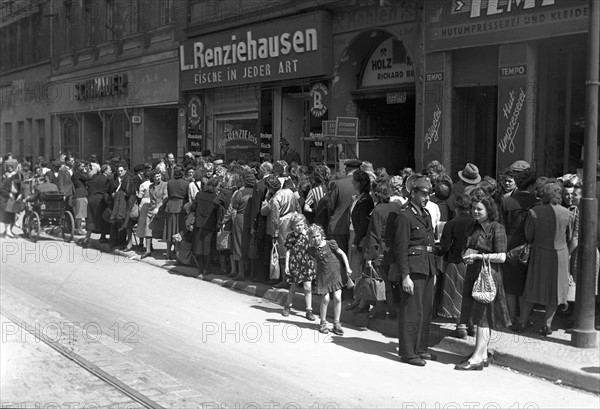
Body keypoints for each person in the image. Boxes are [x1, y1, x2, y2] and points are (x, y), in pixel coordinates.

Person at [456, 191, 510, 371]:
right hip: (474, 272)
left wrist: (479, 256)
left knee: (482, 317)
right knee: (478, 316)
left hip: (488, 275)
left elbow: (502, 256)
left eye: (479, 209)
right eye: (473, 208)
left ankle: (478, 356)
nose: (475, 212)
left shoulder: (497, 228)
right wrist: (467, 255)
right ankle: (482, 353)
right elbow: (469, 248)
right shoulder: (473, 226)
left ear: (489, 209)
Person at [514, 182, 574, 336]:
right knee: (555, 291)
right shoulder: (567, 213)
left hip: (539, 253)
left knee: (533, 287)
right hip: (559, 255)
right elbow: (569, 236)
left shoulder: (535, 211)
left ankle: (521, 322)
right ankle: (546, 325)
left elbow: (529, 235)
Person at [394, 176, 438, 367]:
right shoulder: (405, 216)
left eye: (428, 194)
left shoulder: (426, 214)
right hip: (413, 269)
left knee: (425, 310)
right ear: (413, 193)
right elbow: (401, 248)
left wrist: (433, 271)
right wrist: (405, 276)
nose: (426, 198)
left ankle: (420, 348)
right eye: (423, 194)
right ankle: (408, 352)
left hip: (427, 266)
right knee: (412, 310)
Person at [437, 193, 476, 337]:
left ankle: (461, 327)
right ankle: (472, 325)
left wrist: (436, 250)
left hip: (456, 262)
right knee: (472, 295)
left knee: (458, 295)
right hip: (474, 263)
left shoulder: (451, 223)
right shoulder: (477, 223)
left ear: (457, 208)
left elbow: (444, 247)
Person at [363, 177, 403, 319]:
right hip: (392, 249)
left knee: (381, 282)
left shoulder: (378, 210)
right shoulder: (396, 207)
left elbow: (375, 234)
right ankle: (390, 310)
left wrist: (369, 256)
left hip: (380, 250)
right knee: (388, 281)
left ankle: (383, 310)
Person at [501, 168, 537, 323]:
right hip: (528, 245)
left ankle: (511, 316)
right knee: (524, 283)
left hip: (509, 242)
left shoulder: (506, 201)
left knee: (509, 283)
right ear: (531, 185)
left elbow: (501, 224)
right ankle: (524, 317)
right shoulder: (535, 203)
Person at [308, 224, 351, 336]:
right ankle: (323, 322)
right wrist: (313, 273)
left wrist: (347, 267)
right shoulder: (312, 249)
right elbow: (315, 262)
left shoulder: (330, 244)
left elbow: (342, 254)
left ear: (322, 235)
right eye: (313, 237)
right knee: (325, 299)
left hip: (336, 274)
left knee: (337, 298)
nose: (316, 238)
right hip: (323, 276)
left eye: (318, 236)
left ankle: (336, 324)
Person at [345, 170, 374, 313]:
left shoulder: (365, 200)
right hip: (354, 233)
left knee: (360, 270)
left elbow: (364, 223)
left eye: (354, 180)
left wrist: (356, 241)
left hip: (359, 237)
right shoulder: (359, 197)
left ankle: (362, 301)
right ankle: (357, 299)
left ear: (360, 182)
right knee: (356, 270)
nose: (352, 183)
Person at [281, 213, 316, 321]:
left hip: (307, 264)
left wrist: (315, 264)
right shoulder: (291, 236)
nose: (299, 227)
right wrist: (287, 265)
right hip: (295, 263)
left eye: (300, 225)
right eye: (296, 225)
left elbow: (314, 250)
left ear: (304, 224)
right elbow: (288, 251)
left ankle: (309, 310)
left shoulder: (309, 235)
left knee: (307, 287)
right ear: (293, 226)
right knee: (293, 286)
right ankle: (287, 306)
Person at [328, 158, 362, 254]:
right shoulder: (363, 185)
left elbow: (330, 205)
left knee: (338, 260)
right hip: (356, 228)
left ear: (346, 170)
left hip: (338, 227)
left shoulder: (338, 183)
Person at [191, 177, 220, 277]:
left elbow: (193, 207)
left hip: (199, 223)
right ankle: (207, 268)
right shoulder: (216, 197)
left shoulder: (199, 194)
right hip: (210, 224)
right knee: (208, 247)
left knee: (199, 246)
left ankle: (200, 267)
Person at [82, 164, 113, 246]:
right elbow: (106, 192)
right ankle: (103, 237)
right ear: (105, 170)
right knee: (103, 218)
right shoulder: (107, 179)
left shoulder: (95, 177)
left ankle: (87, 237)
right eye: (110, 169)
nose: (111, 171)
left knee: (91, 218)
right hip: (100, 200)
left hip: (91, 199)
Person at [141, 169, 168, 258]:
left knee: (166, 231)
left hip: (162, 211)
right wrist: (152, 208)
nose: (158, 177)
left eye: (159, 175)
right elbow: (152, 199)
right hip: (152, 210)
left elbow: (165, 198)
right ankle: (148, 250)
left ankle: (169, 252)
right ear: (153, 177)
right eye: (156, 176)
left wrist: (158, 207)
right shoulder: (150, 187)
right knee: (148, 229)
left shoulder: (164, 185)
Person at [164, 165, 189, 260]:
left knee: (169, 231)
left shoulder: (169, 182)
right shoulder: (186, 183)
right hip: (181, 206)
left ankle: (168, 253)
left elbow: (169, 195)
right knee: (179, 230)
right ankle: (178, 254)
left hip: (170, 206)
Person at [71, 161, 91, 235]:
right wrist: (87, 171)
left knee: (81, 213)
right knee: (80, 213)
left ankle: (80, 228)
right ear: (78, 167)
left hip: (81, 194)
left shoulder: (76, 174)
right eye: (82, 166)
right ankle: (79, 229)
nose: (83, 167)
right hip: (80, 194)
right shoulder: (78, 174)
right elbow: (88, 178)